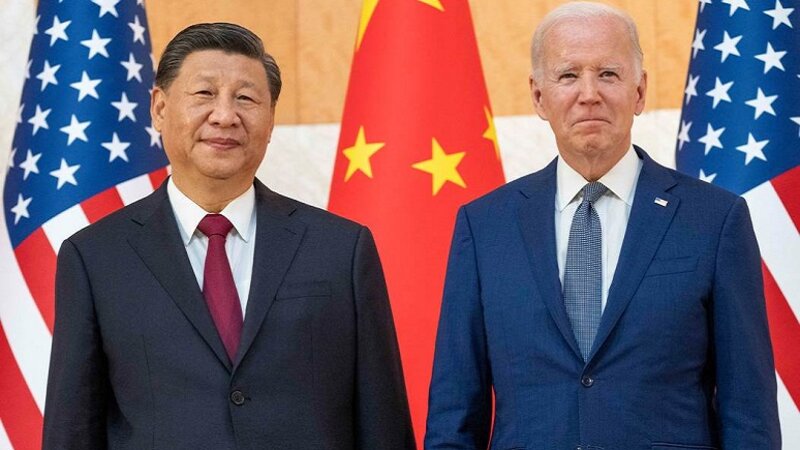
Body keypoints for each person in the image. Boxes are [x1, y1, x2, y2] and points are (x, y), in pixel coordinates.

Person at [42, 22, 415, 450]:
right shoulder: (95, 258)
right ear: (159, 108)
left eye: (246, 98)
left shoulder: (340, 249)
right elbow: (73, 430)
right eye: (204, 93)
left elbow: (383, 424)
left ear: (270, 120)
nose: (224, 116)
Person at [425, 2, 781, 449]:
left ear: (640, 91)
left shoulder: (714, 220)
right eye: (568, 75)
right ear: (539, 96)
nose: (589, 93)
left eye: (608, 74)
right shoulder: (485, 227)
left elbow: (748, 413)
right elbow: (455, 416)